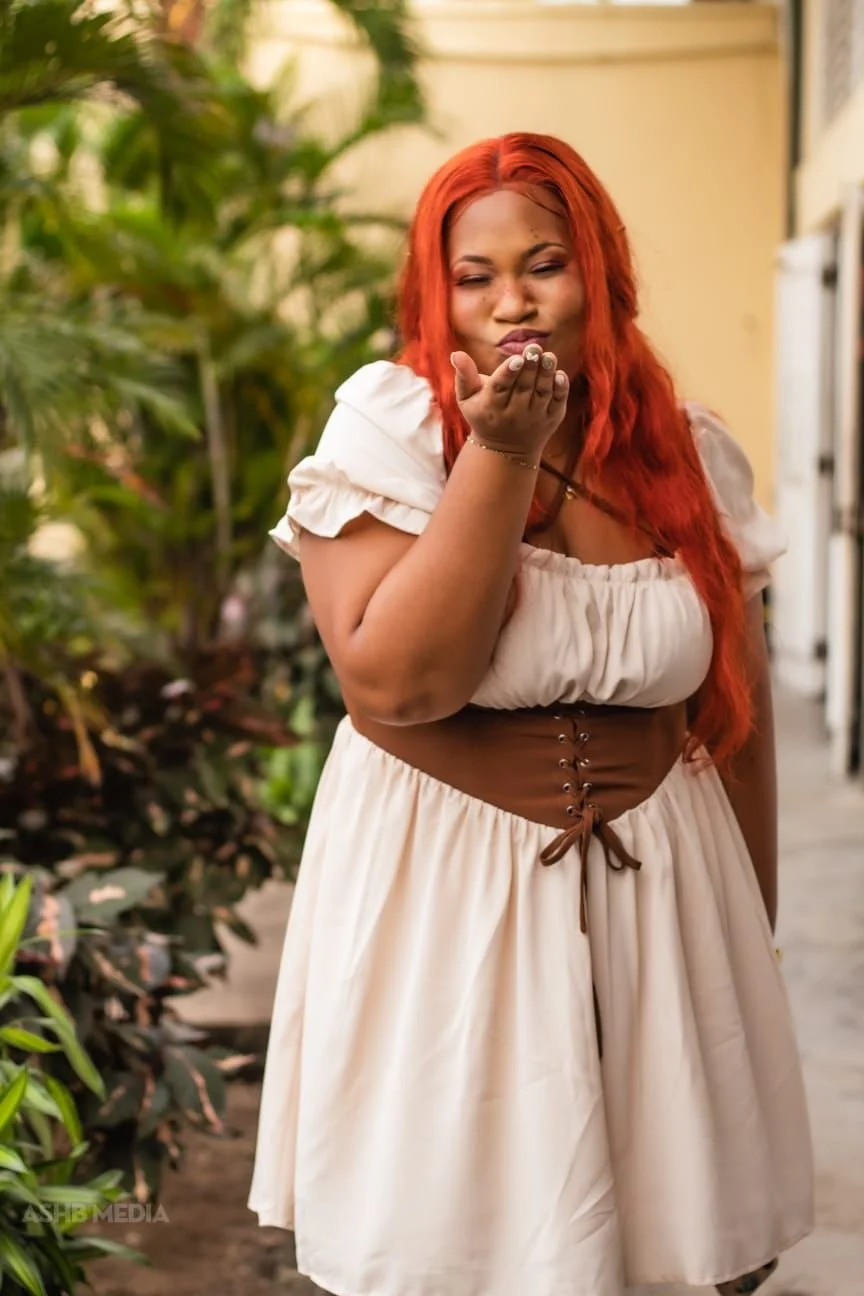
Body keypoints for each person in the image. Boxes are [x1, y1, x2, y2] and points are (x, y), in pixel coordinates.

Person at [248, 133, 814, 1296]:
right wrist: (499, 456)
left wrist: (744, 946)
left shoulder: (690, 455)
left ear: (600, 269)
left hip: (669, 898)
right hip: (446, 908)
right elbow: (401, 685)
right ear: (435, 289)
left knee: (685, 1250)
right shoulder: (391, 433)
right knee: (464, 1250)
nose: (513, 301)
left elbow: (733, 720)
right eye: (475, 275)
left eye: (546, 264)